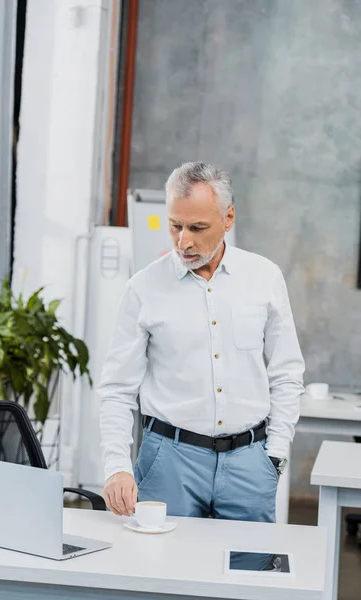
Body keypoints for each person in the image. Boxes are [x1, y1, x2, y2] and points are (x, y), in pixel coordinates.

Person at [98, 161, 305, 525]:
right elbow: (116, 388)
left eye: (197, 227)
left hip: (250, 461)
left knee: (249, 571)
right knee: (161, 574)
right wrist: (116, 465)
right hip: (168, 462)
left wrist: (275, 455)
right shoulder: (143, 288)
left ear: (228, 218)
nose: (184, 241)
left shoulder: (264, 278)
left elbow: (286, 373)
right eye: (175, 226)